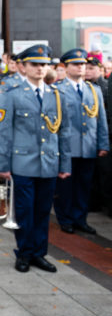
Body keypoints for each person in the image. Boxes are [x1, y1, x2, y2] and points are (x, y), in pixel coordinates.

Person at [0, 44, 71, 273]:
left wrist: (64, 163)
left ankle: (40, 253)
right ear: (23, 67)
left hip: (48, 163)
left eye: (43, 64)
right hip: (23, 163)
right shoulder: (12, 94)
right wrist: (4, 165)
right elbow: (4, 131)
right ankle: (24, 253)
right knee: (25, 210)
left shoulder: (57, 96)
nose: (40, 69)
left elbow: (64, 132)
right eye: (34, 64)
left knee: (42, 212)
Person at [53, 49, 108, 234]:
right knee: (66, 186)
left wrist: (103, 143)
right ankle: (65, 218)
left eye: (82, 64)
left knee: (84, 185)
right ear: (66, 67)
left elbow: (101, 120)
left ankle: (80, 218)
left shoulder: (94, 90)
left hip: (88, 146)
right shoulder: (58, 90)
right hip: (67, 146)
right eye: (76, 64)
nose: (80, 67)